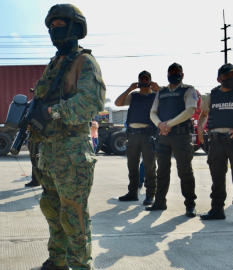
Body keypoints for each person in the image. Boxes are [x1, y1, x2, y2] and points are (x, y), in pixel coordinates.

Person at [27, 4, 105, 270]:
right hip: (49, 151)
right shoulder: (54, 64)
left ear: (75, 28)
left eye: (60, 25)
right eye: (51, 26)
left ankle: (81, 265)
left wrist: (52, 113)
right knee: (51, 208)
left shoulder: (85, 62)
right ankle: (57, 260)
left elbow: (90, 103)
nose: (54, 30)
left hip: (72, 151)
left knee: (74, 215)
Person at [197, 64, 233, 227]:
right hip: (216, 142)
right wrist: (200, 129)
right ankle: (217, 210)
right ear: (219, 79)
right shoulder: (213, 95)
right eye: (227, 76)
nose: (231, 78)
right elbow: (203, 114)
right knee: (217, 178)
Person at [146, 62, 198, 218]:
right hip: (163, 136)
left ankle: (190, 205)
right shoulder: (160, 93)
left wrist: (167, 124)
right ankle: (160, 201)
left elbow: (190, 111)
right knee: (162, 170)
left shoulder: (189, 90)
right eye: (171, 72)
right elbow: (153, 112)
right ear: (167, 74)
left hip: (181, 136)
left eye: (177, 72)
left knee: (185, 171)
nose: (174, 74)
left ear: (182, 74)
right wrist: (160, 125)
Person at [114, 70, 158, 205]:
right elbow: (118, 103)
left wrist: (158, 88)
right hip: (132, 135)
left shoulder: (156, 96)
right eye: (142, 79)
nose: (144, 82)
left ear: (150, 81)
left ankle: (150, 195)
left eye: (146, 79)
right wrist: (129, 89)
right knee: (132, 166)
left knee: (149, 166)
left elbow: (168, 100)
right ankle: (132, 193)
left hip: (148, 135)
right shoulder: (133, 95)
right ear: (138, 81)